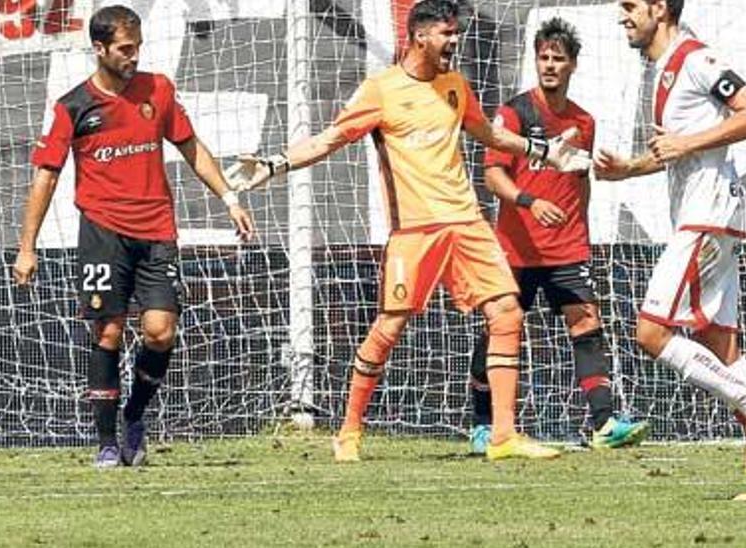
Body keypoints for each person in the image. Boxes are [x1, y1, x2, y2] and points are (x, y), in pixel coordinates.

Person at [227, 0, 591, 462]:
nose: (455, 42)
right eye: (446, 34)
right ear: (420, 36)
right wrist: (274, 163)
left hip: (466, 223)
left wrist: (543, 153)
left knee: (507, 314)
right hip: (415, 232)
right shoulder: (381, 91)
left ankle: (503, 436)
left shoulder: (455, 86)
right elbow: (328, 139)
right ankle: (349, 432)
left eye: (456, 34)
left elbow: (490, 136)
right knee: (391, 324)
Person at [13, 5, 255, 469]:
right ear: (99, 48)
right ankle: (106, 443)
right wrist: (27, 247)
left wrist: (229, 197)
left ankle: (133, 416)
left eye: (138, 47)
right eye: (125, 49)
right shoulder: (72, 107)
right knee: (107, 331)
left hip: (157, 230)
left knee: (161, 332)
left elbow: (191, 147)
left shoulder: (158, 90)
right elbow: (44, 177)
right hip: (102, 233)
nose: (134, 56)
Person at [595, 0, 746, 499]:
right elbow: (678, 149)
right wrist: (628, 168)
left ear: (659, 8)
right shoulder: (665, 70)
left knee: (650, 332)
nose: (623, 16)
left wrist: (688, 144)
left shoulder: (696, 58)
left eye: (631, 6)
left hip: (706, 217)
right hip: (706, 215)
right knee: (721, 344)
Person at [468, 17, 648, 454]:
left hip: (566, 249)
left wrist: (580, 227)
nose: (549, 66)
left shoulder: (584, 121)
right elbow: (493, 176)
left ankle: (604, 423)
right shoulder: (514, 113)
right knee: (499, 329)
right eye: (543, 58)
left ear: (573, 65)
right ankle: (481, 423)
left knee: (586, 322)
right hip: (517, 247)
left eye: (558, 59)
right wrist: (530, 202)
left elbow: (580, 178)